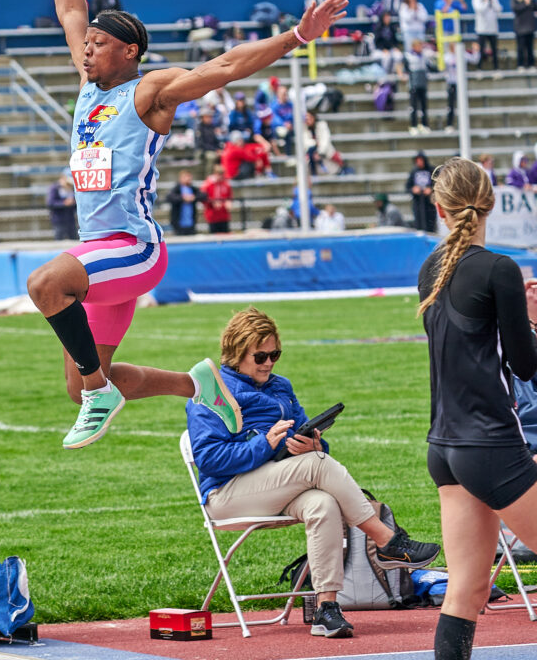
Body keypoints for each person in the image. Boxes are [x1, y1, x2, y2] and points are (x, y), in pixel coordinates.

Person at [26, 0, 349, 449]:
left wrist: (297, 37)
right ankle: (199, 385)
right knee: (81, 385)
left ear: (129, 51)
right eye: (86, 45)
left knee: (45, 283)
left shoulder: (148, 92)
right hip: (102, 255)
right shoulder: (88, 85)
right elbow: (69, 8)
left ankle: (104, 394)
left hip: (133, 248)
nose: (86, 51)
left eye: (99, 45)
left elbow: (223, 67)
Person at [188, 308, 440, 640]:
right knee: (315, 466)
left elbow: (320, 452)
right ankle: (386, 541)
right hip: (226, 495)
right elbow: (208, 459)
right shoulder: (213, 391)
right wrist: (265, 445)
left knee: (323, 503)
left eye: (275, 354)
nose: (268, 363)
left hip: (280, 486)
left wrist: (315, 444)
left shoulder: (281, 387)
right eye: (260, 356)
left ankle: (326, 610)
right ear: (236, 352)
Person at [416, 156, 537, 660]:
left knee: (467, 590)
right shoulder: (500, 268)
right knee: (468, 587)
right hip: (488, 444)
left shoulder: (430, 269)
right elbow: (526, 366)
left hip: (444, 447)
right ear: (490, 203)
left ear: (440, 209)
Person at [443, 40, 480, 129]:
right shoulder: (447, 57)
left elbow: (474, 60)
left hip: (461, 83)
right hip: (452, 83)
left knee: (463, 104)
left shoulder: (463, 54)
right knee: (451, 105)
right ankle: (449, 124)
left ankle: (464, 124)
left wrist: (476, 51)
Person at [401, 40, 434, 134]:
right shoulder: (408, 56)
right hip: (413, 84)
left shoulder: (424, 56)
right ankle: (413, 125)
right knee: (414, 107)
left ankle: (424, 125)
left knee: (424, 106)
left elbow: (430, 67)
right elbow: (403, 68)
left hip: (422, 84)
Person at [166, 169, 207, 236]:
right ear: (181, 178)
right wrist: (183, 198)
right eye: (186, 177)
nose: (188, 179)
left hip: (191, 223)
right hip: (178, 223)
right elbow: (169, 197)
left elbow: (204, 196)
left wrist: (194, 197)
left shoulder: (193, 189)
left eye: (189, 176)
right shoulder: (177, 188)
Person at [471, 0, 502, 71]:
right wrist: (487, 0)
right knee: (481, 50)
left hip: (493, 29)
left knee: (494, 50)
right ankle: (479, 68)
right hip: (481, 29)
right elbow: (480, 10)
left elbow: (499, 9)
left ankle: (496, 68)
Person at [407, 151, 438, 232]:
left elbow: (438, 184)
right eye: (417, 161)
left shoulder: (432, 170)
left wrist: (431, 189)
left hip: (430, 204)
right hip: (418, 204)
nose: (419, 163)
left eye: (421, 160)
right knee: (419, 224)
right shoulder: (413, 172)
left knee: (431, 224)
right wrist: (413, 189)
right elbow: (408, 186)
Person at [200, 165, 232, 234]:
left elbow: (229, 197)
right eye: (218, 174)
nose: (220, 177)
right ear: (215, 174)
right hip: (212, 216)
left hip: (224, 215)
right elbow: (202, 198)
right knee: (214, 237)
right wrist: (212, 203)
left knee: (225, 236)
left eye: (221, 174)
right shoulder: (208, 184)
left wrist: (228, 202)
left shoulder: (226, 184)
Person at [512, 0, 535, 70]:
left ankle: (531, 64)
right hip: (520, 27)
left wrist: (532, 2)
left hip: (530, 26)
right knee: (520, 48)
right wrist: (525, 3)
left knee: (530, 47)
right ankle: (520, 65)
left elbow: (534, 7)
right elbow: (515, 9)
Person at [47, 170, 77, 240]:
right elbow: (50, 203)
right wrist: (64, 203)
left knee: (74, 240)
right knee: (58, 240)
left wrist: (73, 202)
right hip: (59, 220)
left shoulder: (72, 188)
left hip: (70, 220)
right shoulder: (54, 188)